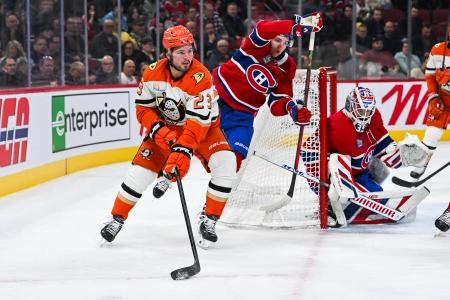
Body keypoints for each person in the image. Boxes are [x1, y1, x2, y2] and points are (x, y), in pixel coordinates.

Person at [100, 25, 236, 247]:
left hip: (204, 129)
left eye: (190, 50)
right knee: (139, 174)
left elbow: (196, 125)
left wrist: (182, 153)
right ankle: (116, 218)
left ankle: (209, 219)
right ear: (168, 53)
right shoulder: (152, 72)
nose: (187, 57)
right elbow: (143, 109)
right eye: (181, 52)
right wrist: (158, 130)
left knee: (226, 163)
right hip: (168, 129)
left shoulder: (201, 78)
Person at [302, 86, 430, 226]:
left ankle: (346, 203)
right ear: (350, 106)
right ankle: (331, 207)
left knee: (379, 179)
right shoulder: (337, 127)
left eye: (368, 111)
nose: (365, 115)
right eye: (361, 111)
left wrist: (398, 152)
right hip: (335, 176)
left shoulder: (373, 116)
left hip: (360, 172)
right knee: (346, 185)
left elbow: (380, 143)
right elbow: (307, 150)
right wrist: (327, 175)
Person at [212, 13, 323, 170]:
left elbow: (277, 102)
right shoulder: (256, 45)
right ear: (271, 38)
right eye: (277, 40)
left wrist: (291, 108)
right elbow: (263, 28)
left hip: (242, 118)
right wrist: (295, 24)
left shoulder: (287, 66)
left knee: (231, 165)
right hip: (214, 101)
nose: (280, 46)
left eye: (286, 42)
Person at [409, 25, 450, 179]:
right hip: (443, 99)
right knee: (431, 134)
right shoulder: (438, 50)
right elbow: (430, 76)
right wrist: (433, 96)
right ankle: (421, 164)